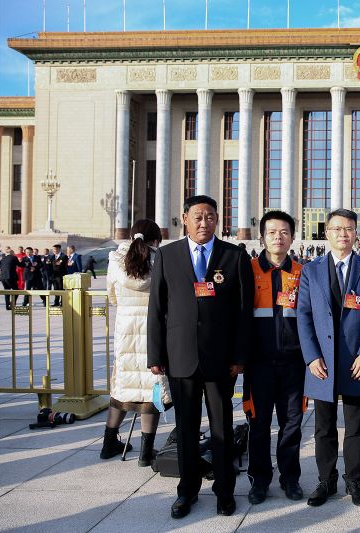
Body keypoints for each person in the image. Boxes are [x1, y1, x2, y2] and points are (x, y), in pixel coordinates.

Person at [147, 195, 254, 519]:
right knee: (186, 427)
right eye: (198, 216)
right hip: (180, 356)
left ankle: (224, 491)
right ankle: (187, 490)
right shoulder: (167, 255)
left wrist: (240, 355)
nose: (204, 222)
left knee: (222, 427)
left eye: (210, 216)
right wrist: (155, 354)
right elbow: (157, 308)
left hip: (220, 359)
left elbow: (243, 311)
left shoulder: (234, 256)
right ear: (185, 219)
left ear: (217, 219)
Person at [296, 208, 360, 508]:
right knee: (324, 426)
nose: (343, 234)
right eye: (337, 229)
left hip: (357, 361)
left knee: (356, 426)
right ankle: (326, 480)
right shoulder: (311, 270)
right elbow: (303, 316)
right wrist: (311, 357)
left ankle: (354, 481)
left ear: (356, 233)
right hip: (322, 363)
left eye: (348, 229)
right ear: (326, 233)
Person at [243, 210, 306, 504]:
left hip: (294, 363)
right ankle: (259, 480)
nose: (278, 237)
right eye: (271, 232)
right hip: (259, 364)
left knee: (291, 424)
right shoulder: (249, 270)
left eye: (284, 232)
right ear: (262, 237)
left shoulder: (303, 272)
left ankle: (290, 478)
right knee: (259, 425)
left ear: (292, 238)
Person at [101, 219, 171, 465]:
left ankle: (109, 442)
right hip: (154, 331)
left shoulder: (115, 260)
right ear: (156, 239)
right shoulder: (160, 260)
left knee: (123, 386)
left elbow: (112, 297)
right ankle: (145, 451)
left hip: (126, 330)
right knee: (151, 389)